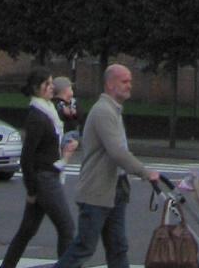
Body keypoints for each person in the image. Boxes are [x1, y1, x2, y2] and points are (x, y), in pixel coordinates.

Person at [57, 64, 162, 268]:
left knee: (117, 247)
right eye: (124, 81)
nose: (129, 86)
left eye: (130, 81)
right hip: (97, 191)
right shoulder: (103, 111)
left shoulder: (113, 110)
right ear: (110, 84)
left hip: (115, 189)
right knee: (84, 247)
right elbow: (116, 151)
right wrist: (145, 172)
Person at [0, 69, 74, 268]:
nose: (52, 87)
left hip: (45, 177)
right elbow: (27, 156)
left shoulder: (48, 111)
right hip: (44, 179)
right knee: (67, 228)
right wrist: (32, 190)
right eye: (47, 84)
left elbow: (70, 120)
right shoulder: (37, 116)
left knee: (27, 231)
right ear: (36, 88)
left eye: (52, 83)